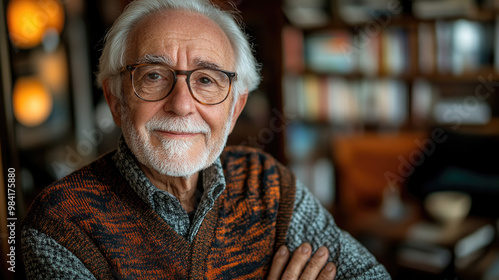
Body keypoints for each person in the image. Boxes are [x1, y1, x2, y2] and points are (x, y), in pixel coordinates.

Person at [21, 0, 391, 279]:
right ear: (116, 100)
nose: (182, 105)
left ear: (235, 108)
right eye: (153, 76)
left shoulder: (268, 184)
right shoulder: (59, 226)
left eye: (207, 80)